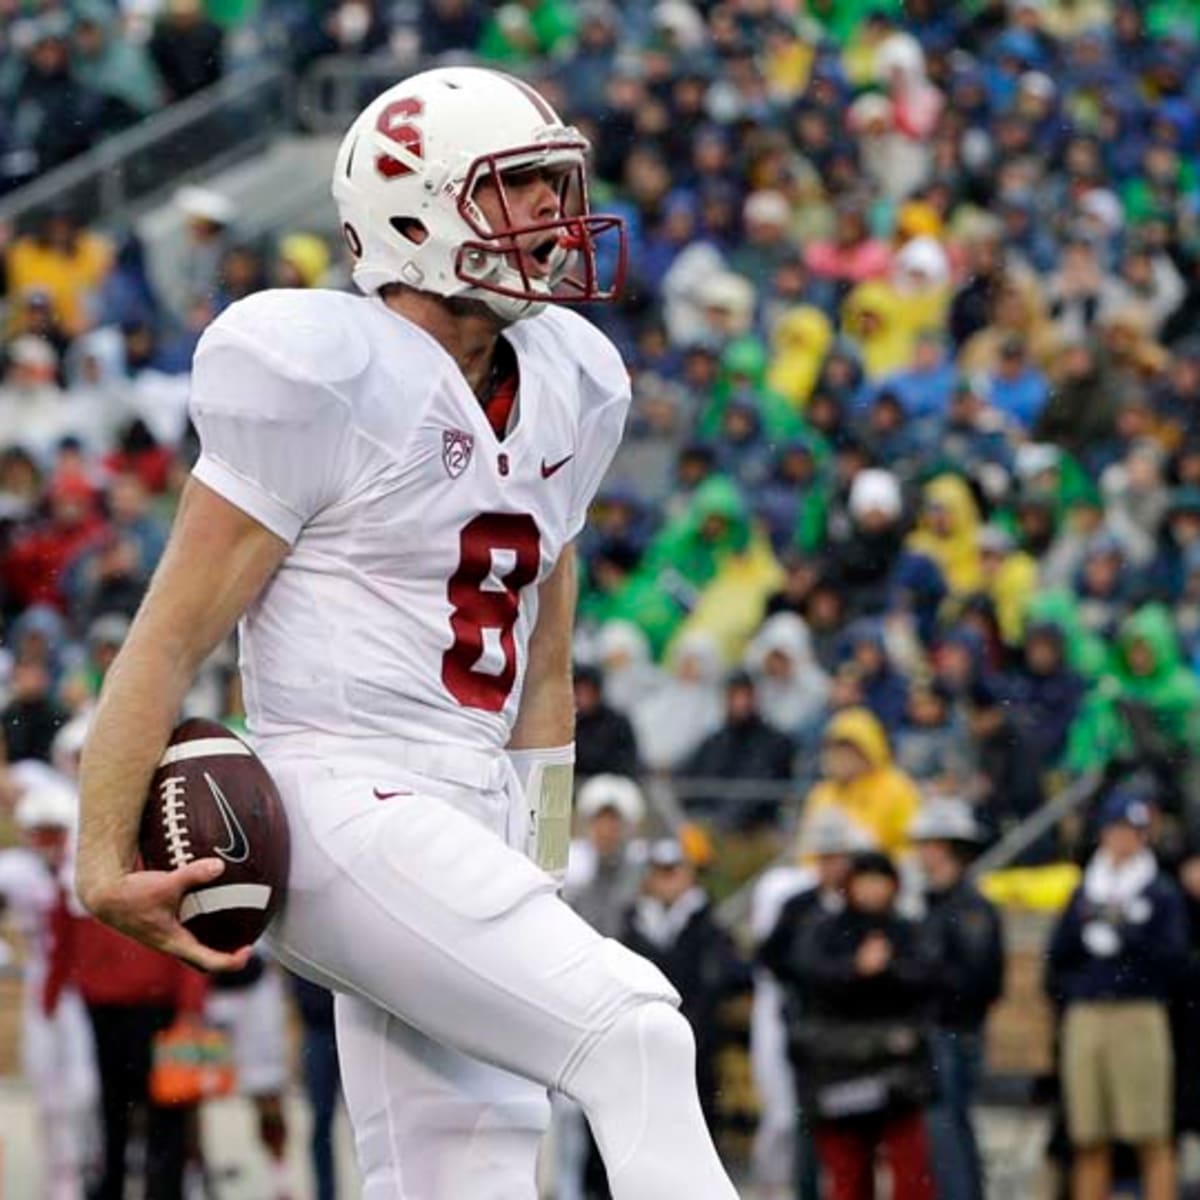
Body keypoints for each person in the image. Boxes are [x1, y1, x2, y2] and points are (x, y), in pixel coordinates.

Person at [74, 66, 738, 1200]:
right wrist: (99, 855)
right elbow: (170, 636)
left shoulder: (573, 380)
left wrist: (537, 857)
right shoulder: (320, 371)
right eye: (517, 186)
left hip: (470, 798)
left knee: (460, 1176)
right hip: (337, 791)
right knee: (636, 1035)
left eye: (552, 183)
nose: (552, 212)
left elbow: (544, 662)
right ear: (416, 212)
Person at [1045, 789, 1188, 1200]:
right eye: (1117, 829)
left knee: (1150, 1132)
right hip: (1088, 1013)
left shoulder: (1159, 891)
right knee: (1089, 1133)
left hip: (1139, 1014)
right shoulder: (1085, 889)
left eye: (1133, 831)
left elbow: (1175, 959)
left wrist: (1130, 935)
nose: (1123, 839)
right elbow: (1059, 955)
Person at [785, 850, 937, 1200]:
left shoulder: (907, 931)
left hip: (897, 1067)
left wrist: (888, 970)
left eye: (879, 880)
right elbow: (807, 977)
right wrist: (855, 970)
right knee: (847, 1172)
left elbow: (928, 980)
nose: (871, 889)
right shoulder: (824, 930)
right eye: (863, 880)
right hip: (839, 1066)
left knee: (909, 1170)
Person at [910, 799, 1004, 1200]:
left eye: (928, 842)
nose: (920, 851)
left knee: (947, 1131)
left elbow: (979, 980)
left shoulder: (969, 907)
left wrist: (921, 977)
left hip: (952, 1031)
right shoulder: (933, 902)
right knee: (942, 1131)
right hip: (938, 1028)